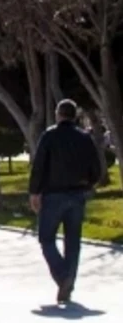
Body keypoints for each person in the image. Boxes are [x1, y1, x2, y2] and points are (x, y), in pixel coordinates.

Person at [28, 99, 101, 304]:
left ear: (58, 114)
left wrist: (34, 192)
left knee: (46, 238)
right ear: (75, 116)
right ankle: (68, 282)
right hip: (77, 195)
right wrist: (89, 184)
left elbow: (39, 166)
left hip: (53, 195)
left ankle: (62, 276)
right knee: (73, 242)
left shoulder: (49, 136)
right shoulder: (84, 138)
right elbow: (96, 168)